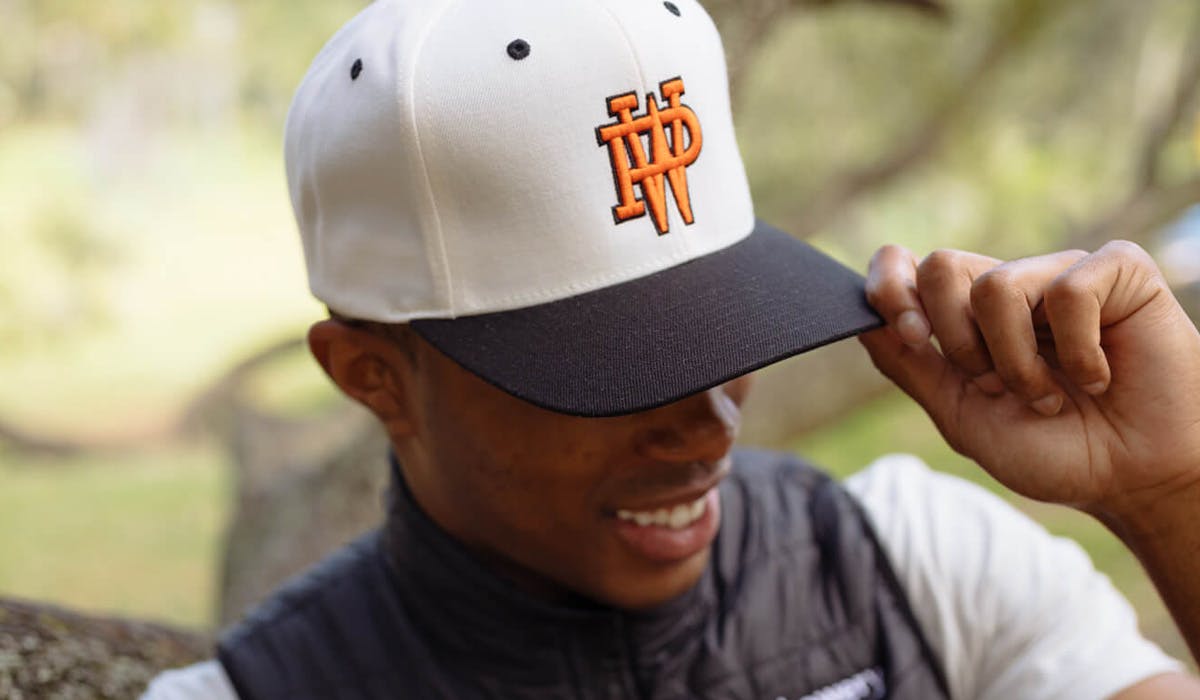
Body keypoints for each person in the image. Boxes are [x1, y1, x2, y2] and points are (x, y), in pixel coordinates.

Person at [145, 0, 1200, 697]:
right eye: (615, 370)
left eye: (722, 329)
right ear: (373, 377)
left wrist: (1169, 491)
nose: (709, 423)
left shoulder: (915, 566)